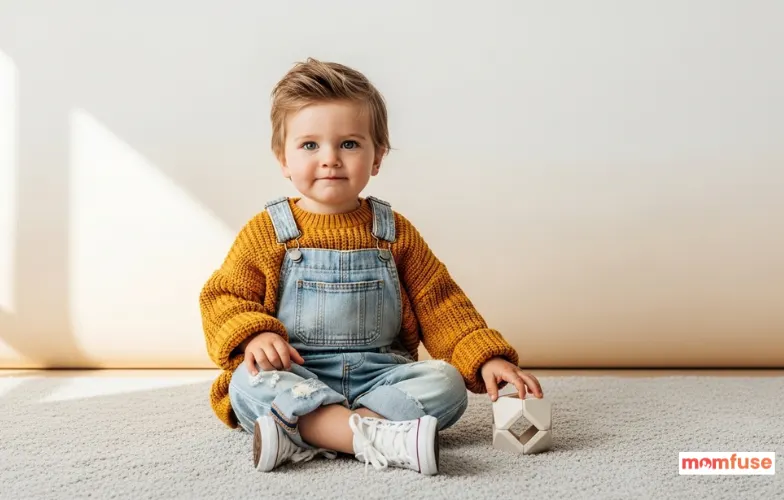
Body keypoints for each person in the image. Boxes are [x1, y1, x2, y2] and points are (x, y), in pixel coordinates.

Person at [198, 58, 543, 476]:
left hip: (379, 379)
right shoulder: (268, 231)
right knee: (245, 385)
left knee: (447, 384)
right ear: (283, 160)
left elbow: (441, 304)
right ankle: (377, 437)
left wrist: (484, 357)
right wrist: (256, 334)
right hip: (297, 374)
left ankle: (305, 435)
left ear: (377, 157)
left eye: (349, 144)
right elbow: (222, 297)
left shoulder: (393, 231)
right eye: (310, 145)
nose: (330, 159)